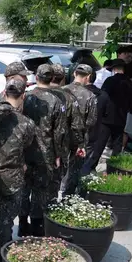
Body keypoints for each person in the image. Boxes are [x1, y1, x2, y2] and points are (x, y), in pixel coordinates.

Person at [0, 79, 38, 262]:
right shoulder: (27, 124)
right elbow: (28, 149)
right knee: (5, 219)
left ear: (4, 94)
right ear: (23, 96)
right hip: (12, 176)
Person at [19, 65, 67, 236]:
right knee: (40, 190)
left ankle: (23, 224)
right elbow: (60, 132)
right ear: (53, 78)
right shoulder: (57, 101)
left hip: (25, 150)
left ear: (37, 77)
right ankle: (37, 225)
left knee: (24, 188)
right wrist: (59, 155)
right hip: (45, 153)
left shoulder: (26, 96)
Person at [47, 64, 82, 197]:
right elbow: (76, 124)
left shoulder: (34, 95)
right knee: (54, 182)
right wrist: (80, 144)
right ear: (62, 78)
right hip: (61, 147)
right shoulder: (69, 97)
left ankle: (25, 217)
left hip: (36, 146)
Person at [62, 64, 97, 194]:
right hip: (80, 138)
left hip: (62, 136)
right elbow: (91, 121)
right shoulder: (90, 96)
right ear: (88, 77)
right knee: (74, 170)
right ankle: (68, 196)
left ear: (74, 74)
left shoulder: (62, 91)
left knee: (61, 167)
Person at [81, 71, 111, 175]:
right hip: (95, 131)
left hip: (78, 132)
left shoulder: (79, 93)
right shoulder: (103, 95)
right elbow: (106, 114)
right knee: (89, 157)